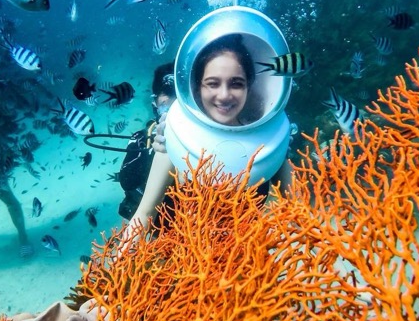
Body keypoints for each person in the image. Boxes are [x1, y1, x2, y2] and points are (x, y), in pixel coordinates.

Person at [123, 32, 293, 243]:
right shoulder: (177, 138)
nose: (224, 95)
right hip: (180, 256)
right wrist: (118, 269)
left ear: (250, 85)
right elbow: (143, 216)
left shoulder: (269, 138)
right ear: (197, 87)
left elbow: (298, 213)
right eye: (212, 83)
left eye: (236, 83)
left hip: (248, 260)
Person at [116, 62, 176, 221]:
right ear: (154, 105)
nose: (173, 104)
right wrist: (154, 153)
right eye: (167, 96)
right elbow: (127, 180)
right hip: (158, 224)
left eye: (179, 96)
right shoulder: (143, 138)